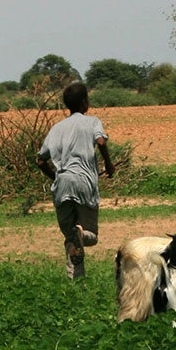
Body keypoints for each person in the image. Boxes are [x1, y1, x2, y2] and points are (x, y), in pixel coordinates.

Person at [36, 83, 115, 279]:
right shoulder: (93, 122)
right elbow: (101, 141)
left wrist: (56, 177)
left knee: (70, 237)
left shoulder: (56, 128)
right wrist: (109, 164)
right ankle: (81, 235)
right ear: (85, 102)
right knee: (90, 236)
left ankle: (76, 282)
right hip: (84, 183)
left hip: (62, 185)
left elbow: (40, 160)